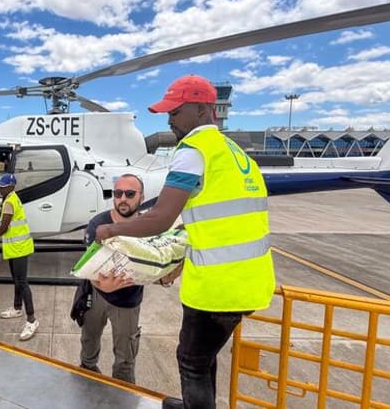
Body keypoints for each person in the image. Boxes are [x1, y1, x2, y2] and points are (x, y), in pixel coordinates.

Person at [94, 75, 275, 408]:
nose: (169, 120)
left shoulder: (193, 150)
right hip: (251, 281)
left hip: (217, 286)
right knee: (203, 356)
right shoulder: (233, 151)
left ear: (202, 110)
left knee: (190, 360)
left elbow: (161, 217)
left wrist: (113, 230)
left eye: (175, 112)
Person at [79, 173, 145, 384]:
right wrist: (101, 285)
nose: (123, 198)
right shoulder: (98, 224)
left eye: (130, 193)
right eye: (118, 193)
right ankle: (88, 381)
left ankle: (123, 394)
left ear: (141, 197)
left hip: (127, 301)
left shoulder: (149, 227)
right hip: (96, 296)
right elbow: (88, 264)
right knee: (88, 344)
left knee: (125, 360)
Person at [0, 173, 39, 341]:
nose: (0, 188)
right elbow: (6, 223)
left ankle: (32, 320)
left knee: (22, 282)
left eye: (3, 186)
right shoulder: (11, 197)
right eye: (0, 186)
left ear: (11, 186)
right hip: (15, 247)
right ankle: (17, 308)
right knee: (17, 280)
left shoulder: (9, 201)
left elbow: (4, 226)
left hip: (19, 248)